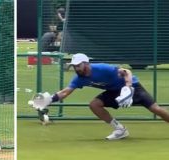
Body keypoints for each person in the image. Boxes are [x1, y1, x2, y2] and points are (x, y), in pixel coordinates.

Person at [35, 53, 169, 140]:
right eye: (74, 66)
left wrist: (128, 88)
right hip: (112, 92)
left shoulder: (102, 68)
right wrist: (48, 100)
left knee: (156, 110)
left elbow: (126, 71)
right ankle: (120, 129)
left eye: (78, 65)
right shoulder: (79, 78)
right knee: (94, 104)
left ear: (86, 63)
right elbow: (65, 92)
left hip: (132, 87)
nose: (76, 68)